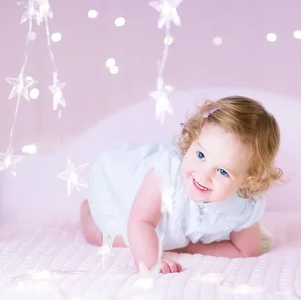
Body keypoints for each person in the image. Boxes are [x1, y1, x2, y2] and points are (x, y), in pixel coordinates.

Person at [80, 95, 283, 274]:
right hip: (132, 201)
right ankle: (88, 214)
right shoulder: (167, 174)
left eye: (223, 171)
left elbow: (246, 251)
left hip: (174, 230)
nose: (203, 175)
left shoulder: (244, 203)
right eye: (201, 155)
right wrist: (150, 263)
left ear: (248, 180)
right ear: (192, 138)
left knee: (165, 241)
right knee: (113, 237)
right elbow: (140, 221)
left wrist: (183, 248)